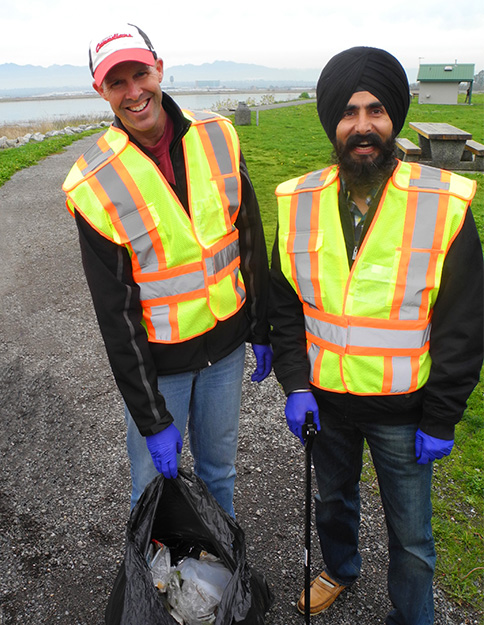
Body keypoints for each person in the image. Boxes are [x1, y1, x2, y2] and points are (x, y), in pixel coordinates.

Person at [269, 46, 483, 624]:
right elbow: (285, 305)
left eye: (377, 110)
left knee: (412, 536)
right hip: (326, 403)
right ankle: (339, 569)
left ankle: (413, 616)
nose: (362, 125)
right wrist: (294, 382)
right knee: (332, 502)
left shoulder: (442, 205)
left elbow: (464, 324)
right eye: (348, 112)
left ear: (394, 120)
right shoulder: (299, 203)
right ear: (332, 123)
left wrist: (442, 415)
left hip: (404, 412)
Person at [62, 23, 272, 516]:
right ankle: (158, 591)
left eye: (141, 74)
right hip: (162, 369)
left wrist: (261, 326)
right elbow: (115, 314)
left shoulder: (218, 135)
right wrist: (153, 419)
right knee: (151, 490)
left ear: (159, 67)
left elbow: (250, 238)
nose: (135, 92)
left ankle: (219, 581)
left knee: (219, 474)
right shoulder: (93, 183)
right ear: (101, 91)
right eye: (118, 83)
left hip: (225, 351)